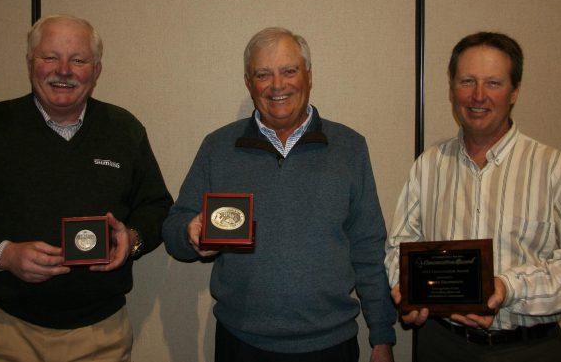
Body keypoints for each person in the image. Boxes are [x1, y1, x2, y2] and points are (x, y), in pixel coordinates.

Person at [0, 14, 174, 362]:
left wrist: (132, 239)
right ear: (29, 64)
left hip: (102, 337)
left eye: (79, 60)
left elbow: (157, 208)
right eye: (50, 57)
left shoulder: (124, 131)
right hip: (7, 334)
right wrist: (4, 255)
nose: (64, 70)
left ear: (96, 71)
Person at [162, 27, 396, 362]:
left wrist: (382, 336)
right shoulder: (218, 148)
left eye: (289, 71)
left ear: (309, 76)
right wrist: (189, 234)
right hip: (241, 343)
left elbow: (368, 248)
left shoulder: (349, 148)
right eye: (263, 74)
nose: (277, 85)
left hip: (331, 344)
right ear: (248, 82)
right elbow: (173, 228)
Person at [385, 32, 561, 362]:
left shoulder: (551, 168)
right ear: (451, 90)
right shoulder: (429, 165)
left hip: (529, 349)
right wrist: (408, 291)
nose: (478, 96)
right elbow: (399, 246)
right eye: (467, 81)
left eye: (493, 83)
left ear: (514, 92)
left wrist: (509, 287)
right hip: (442, 346)